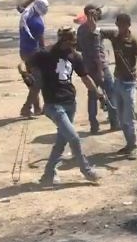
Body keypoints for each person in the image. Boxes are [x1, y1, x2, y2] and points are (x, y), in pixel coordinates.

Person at [18, 27, 101, 186]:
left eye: (74, 42)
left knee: (62, 141)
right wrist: (26, 75)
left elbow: (85, 77)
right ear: (63, 40)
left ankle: (48, 174)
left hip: (70, 102)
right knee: (74, 138)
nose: (73, 45)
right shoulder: (45, 55)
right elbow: (27, 67)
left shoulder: (75, 56)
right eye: (70, 42)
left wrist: (98, 93)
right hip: (53, 105)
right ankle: (86, 170)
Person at [103, 13, 137, 160]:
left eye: (121, 25)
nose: (118, 27)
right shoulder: (115, 38)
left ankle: (134, 146)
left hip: (130, 84)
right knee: (121, 119)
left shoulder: (134, 41)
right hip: (118, 82)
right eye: (117, 24)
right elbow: (96, 31)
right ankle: (129, 144)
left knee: (129, 117)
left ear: (128, 25)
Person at [76, 4, 119, 134]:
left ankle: (94, 126)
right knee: (111, 94)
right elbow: (96, 54)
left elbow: (79, 47)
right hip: (100, 68)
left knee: (92, 96)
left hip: (88, 68)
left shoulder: (80, 29)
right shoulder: (94, 30)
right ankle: (114, 122)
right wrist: (100, 71)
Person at [19, 0, 48, 117]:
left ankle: (37, 108)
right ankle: (26, 108)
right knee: (37, 83)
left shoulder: (27, 14)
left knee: (33, 80)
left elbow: (20, 7)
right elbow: (41, 43)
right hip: (33, 53)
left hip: (24, 51)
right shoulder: (37, 23)